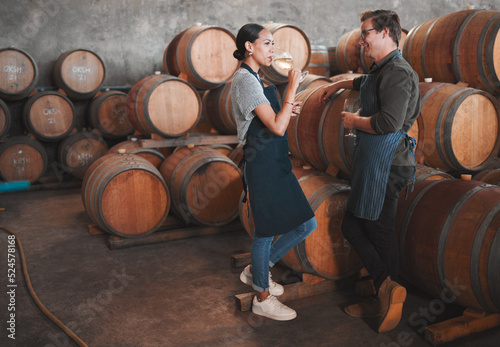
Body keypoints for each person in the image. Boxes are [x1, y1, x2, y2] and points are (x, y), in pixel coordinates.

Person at [319, 10, 421, 333]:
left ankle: (388, 298)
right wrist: (338, 84)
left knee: (377, 230)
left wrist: (354, 122)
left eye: (366, 32)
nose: (361, 38)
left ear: (386, 33)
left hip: (389, 165)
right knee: (354, 225)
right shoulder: (382, 69)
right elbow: (366, 82)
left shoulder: (400, 73)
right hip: (375, 163)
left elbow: (389, 123)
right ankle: (386, 287)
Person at [231, 23, 317, 321]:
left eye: (273, 44)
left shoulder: (256, 77)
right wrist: (292, 87)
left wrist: (286, 108)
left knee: (306, 224)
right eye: (267, 44)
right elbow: (277, 128)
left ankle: (258, 270)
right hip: (262, 163)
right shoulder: (245, 80)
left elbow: (275, 120)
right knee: (265, 231)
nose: (272, 50)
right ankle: (262, 298)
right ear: (249, 48)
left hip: (274, 160)